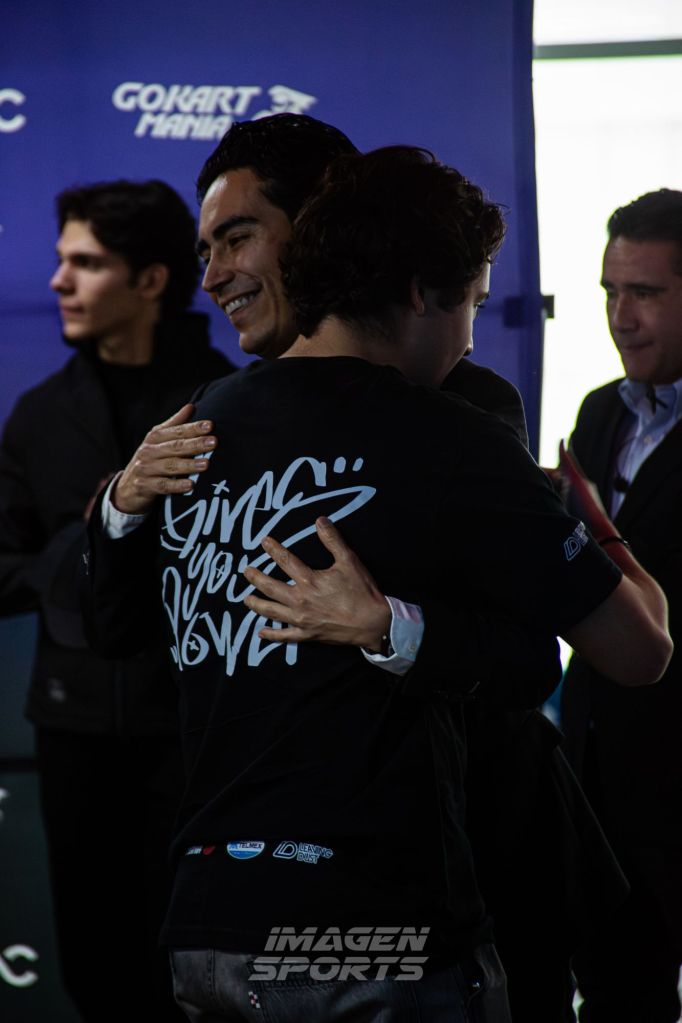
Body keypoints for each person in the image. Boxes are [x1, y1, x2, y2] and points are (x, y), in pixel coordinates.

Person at [84, 137, 670, 1022]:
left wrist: (392, 626)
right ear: (420, 289)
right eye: (473, 303)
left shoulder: (206, 422)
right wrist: (120, 505)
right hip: (371, 925)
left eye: (237, 239)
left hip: (214, 927)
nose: (216, 274)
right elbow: (618, 651)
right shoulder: (418, 430)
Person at [0, 179, 234, 1022]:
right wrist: (90, 541)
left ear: (151, 279)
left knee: (201, 974)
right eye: (63, 260)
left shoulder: (228, 406)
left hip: (201, 732)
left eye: (87, 263)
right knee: (97, 973)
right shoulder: (39, 416)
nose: (59, 281)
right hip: (76, 735)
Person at [561, 188, 682, 1023]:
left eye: (644, 292)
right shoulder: (601, 410)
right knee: (612, 997)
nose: (620, 316)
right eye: (610, 291)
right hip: (598, 772)